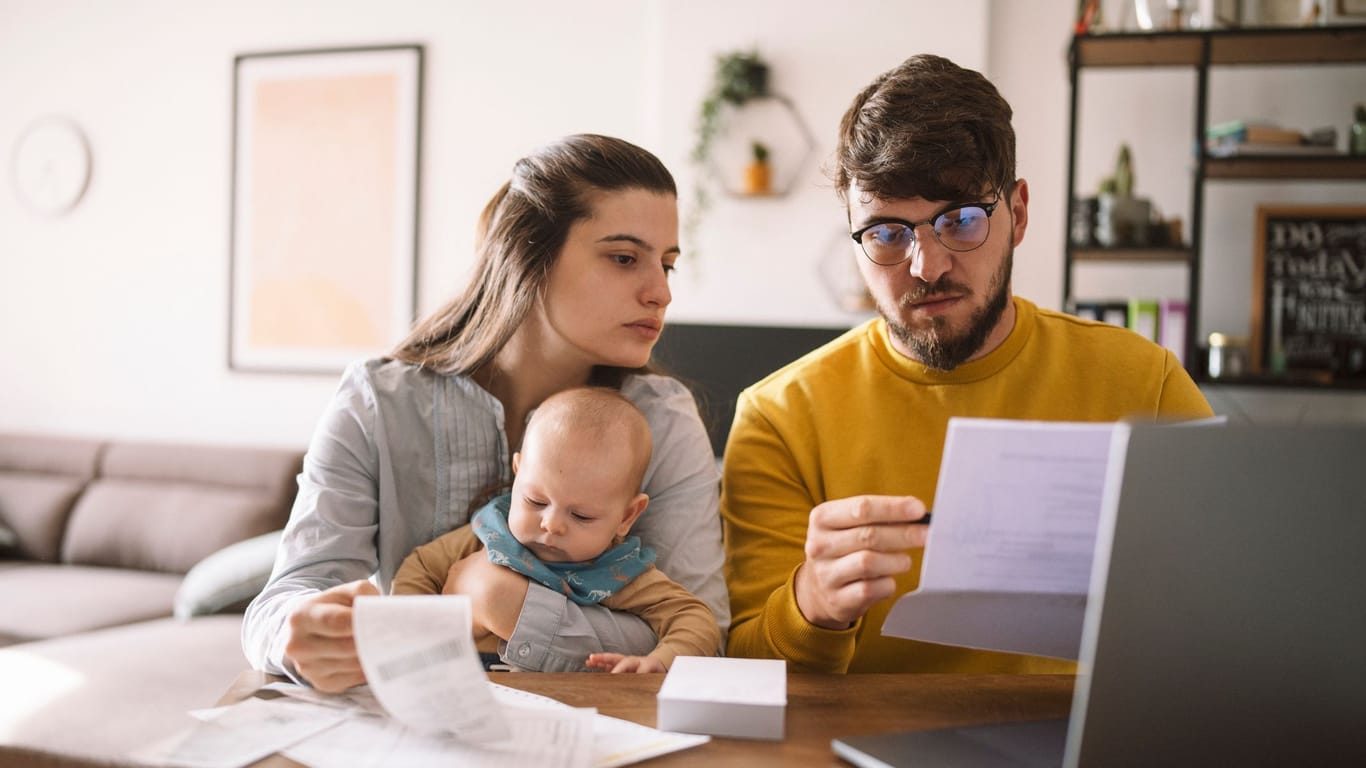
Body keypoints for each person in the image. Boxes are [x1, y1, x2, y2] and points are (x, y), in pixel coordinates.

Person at [720, 54, 1213, 674]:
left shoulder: (1147, 383)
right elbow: (743, 671)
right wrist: (812, 605)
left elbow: (1232, 606)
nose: (927, 267)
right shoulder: (778, 417)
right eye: (887, 233)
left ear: (1020, 215)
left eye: (960, 220)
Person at [243, 134, 729, 692]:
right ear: (528, 258)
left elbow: (703, 634)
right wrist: (297, 634)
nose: (661, 292)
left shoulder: (663, 420)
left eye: (667, 264)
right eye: (624, 258)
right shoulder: (377, 402)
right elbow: (281, 603)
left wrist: (501, 603)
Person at [392, 386, 720, 673]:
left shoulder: (618, 572)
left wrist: (662, 659)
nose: (551, 524)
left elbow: (696, 619)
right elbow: (420, 567)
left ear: (627, 516)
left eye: (581, 516)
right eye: (535, 501)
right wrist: (411, 636)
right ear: (518, 474)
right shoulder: (491, 533)